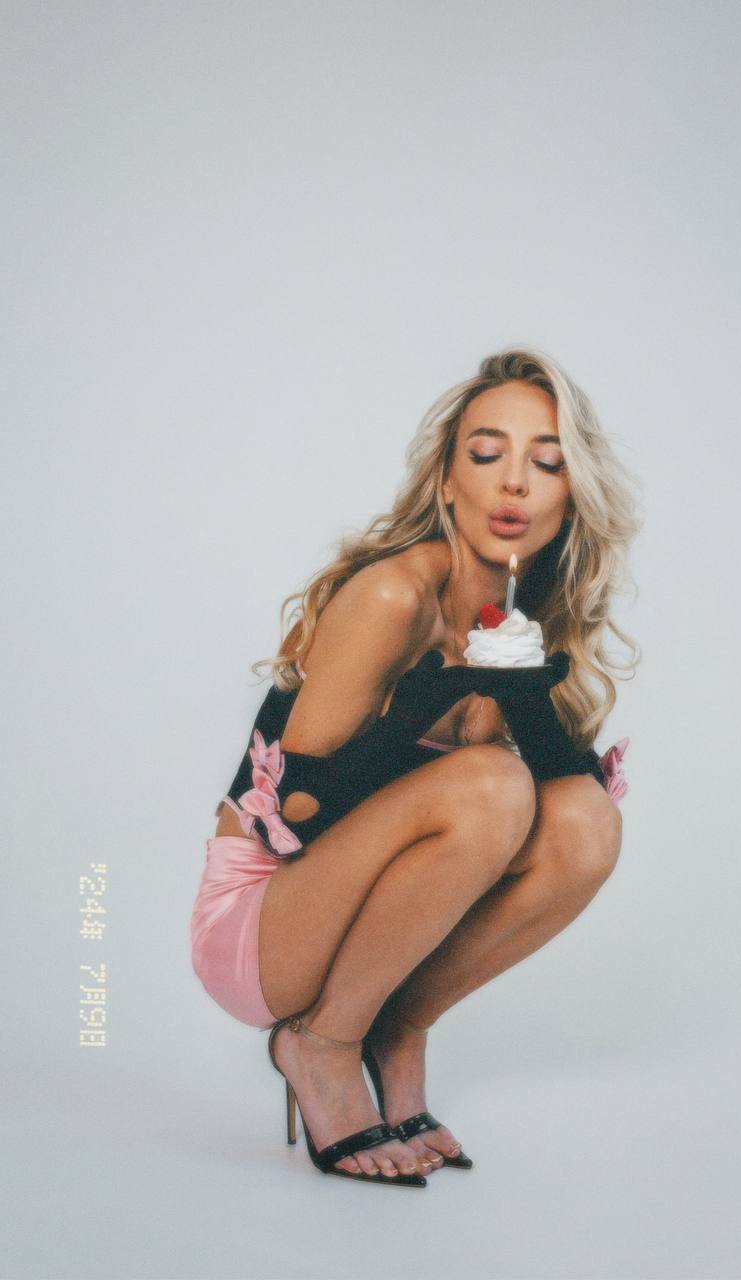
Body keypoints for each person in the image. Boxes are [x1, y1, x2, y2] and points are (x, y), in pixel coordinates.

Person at [190, 347, 640, 1187]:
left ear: (571, 493)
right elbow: (297, 811)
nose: (514, 483)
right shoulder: (394, 594)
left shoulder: (524, 614)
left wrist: (522, 694)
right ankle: (319, 1043)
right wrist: (428, 705)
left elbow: (557, 809)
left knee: (586, 823)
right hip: (263, 919)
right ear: (445, 481)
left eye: (546, 463)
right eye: (486, 454)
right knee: (491, 784)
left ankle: (394, 1028)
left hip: (358, 928)